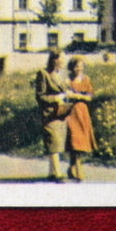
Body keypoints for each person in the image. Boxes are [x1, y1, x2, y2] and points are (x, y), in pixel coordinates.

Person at [34, 49, 71, 182]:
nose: (64, 61)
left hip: (60, 113)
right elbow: (40, 96)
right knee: (53, 142)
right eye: (62, 58)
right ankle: (58, 174)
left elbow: (65, 91)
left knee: (57, 142)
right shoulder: (43, 74)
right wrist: (56, 98)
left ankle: (51, 173)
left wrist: (67, 93)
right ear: (55, 60)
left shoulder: (61, 74)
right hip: (49, 114)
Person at [65, 55, 98, 181]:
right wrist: (76, 96)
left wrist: (77, 96)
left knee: (81, 140)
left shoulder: (86, 79)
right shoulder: (67, 80)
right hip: (71, 112)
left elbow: (90, 97)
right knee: (74, 139)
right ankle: (78, 167)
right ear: (71, 67)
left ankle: (72, 166)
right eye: (76, 66)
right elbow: (66, 96)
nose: (79, 69)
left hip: (83, 111)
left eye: (81, 66)